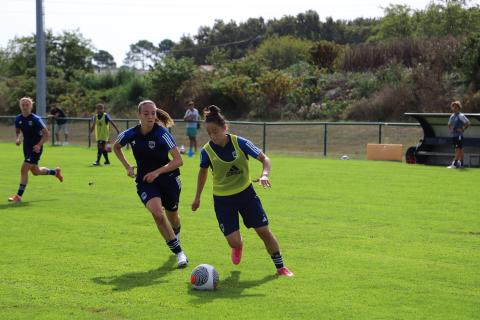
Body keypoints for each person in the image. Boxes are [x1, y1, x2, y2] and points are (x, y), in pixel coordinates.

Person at [191, 105, 293, 277]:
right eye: (209, 133)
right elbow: (202, 174)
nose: (212, 136)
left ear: (225, 128)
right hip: (223, 200)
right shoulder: (207, 151)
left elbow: (264, 158)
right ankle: (238, 246)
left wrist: (264, 175)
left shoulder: (240, 143)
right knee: (233, 241)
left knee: (263, 231)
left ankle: (281, 267)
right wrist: (197, 198)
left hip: (246, 195)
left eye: (215, 131)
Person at [113, 100, 188, 268]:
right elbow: (116, 146)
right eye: (146, 113)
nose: (150, 116)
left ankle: (175, 234)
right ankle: (179, 253)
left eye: (153, 113)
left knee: (173, 217)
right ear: (139, 115)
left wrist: (157, 172)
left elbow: (178, 160)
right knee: (157, 214)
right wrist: (127, 167)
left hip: (168, 180)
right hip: (146, 182)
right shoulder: (130, 134)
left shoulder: (162, 134)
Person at [8, 97, 63, 203]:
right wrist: (17, 138)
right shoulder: (18, 118)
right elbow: (17, 131)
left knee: (24, 169)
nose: (24, 106)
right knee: (35, 171)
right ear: (20, 106)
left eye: (27, 105)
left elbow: (46, 134)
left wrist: (39, 145)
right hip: (26, 147)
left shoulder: (35, 119)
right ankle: (55, 172)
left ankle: (18, 196)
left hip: (35, 148)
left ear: (31, 106)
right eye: (22, 104)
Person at [447, 101, 470, 169]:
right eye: (453, 107)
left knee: (458, 149)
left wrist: (462, 129)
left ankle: (455, 163)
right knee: (460, 149)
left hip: (459, 135)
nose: (454, 108)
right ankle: (461, 164)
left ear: (458, 108)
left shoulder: (461, 115)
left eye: (456, 107)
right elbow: (449, 124)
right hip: (454, 135)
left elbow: (468, 123)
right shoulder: (452, 116)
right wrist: (450, 129)